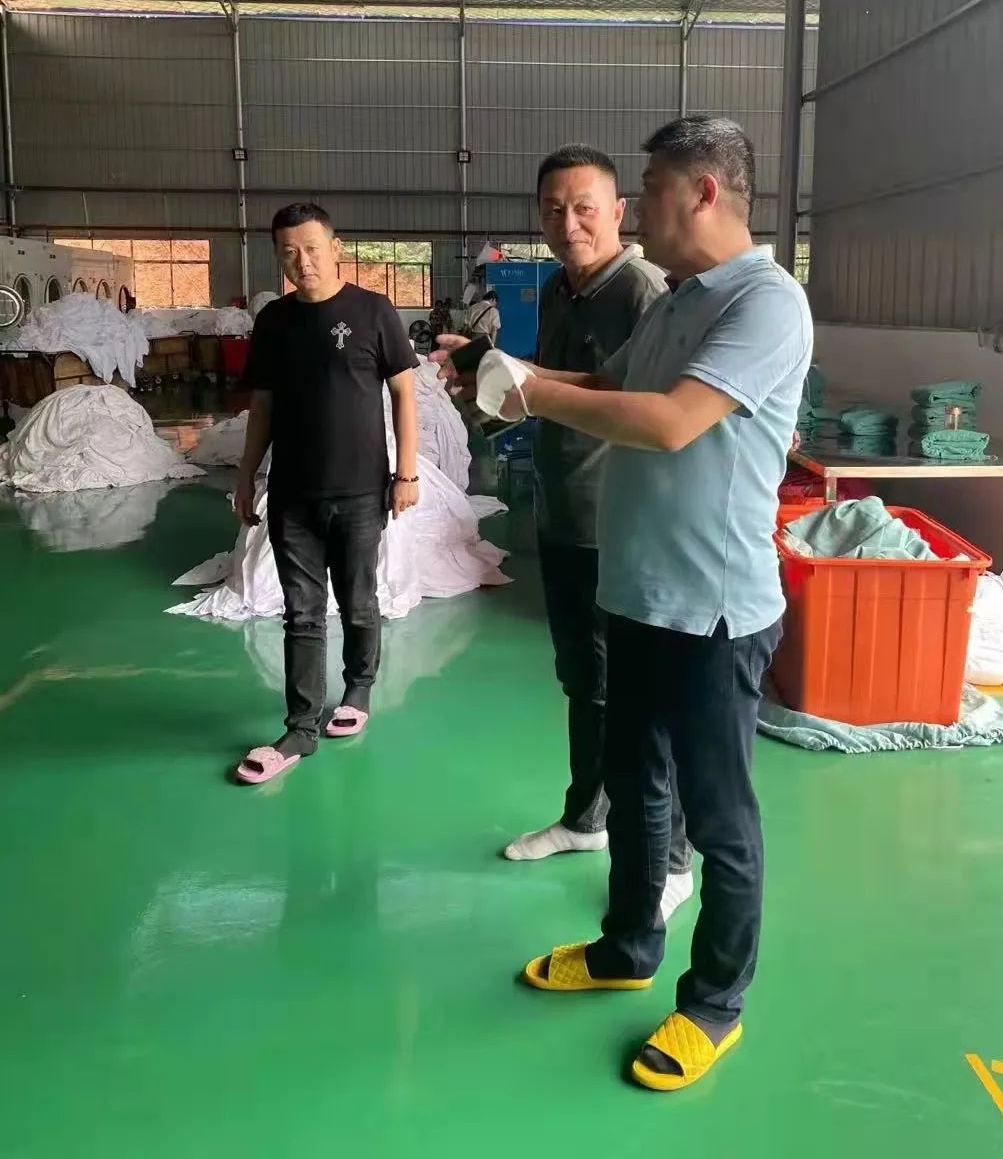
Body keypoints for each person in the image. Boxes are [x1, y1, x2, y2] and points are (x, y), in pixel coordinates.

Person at [491, 117, 812, 1092]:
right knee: (635, 792)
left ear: (703, 192)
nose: (638, 208)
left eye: (652, 186)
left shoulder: (765, 303)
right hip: (637, 595)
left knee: (720, 823)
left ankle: (713, 1004)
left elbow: (672, 423)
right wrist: (522, 378)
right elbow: (611, 384)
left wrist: (537, 397)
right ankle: (628, 947)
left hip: (713, 613)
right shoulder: (677, 301)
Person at [436, 145, 693, 919]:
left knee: (643, 697)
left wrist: (517, 377)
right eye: (554, 209)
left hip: (624, 523)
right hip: (564, 514)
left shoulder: (644, 292)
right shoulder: (557, 289)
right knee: (584, 682)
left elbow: (648, 406)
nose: (569, 223)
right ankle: (587, 820)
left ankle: (672, 858)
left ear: (618, 212)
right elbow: (546, 390)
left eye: (585, 208)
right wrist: (491, 376)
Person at [232, 202, 420, 785]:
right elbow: (263, 406)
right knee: (302, 612)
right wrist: (246, 473)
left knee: (359, 601)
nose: (302, 261)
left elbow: (404, 395)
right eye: (289, 251)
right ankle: (300, 727)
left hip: (362, 491)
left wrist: (406, 474)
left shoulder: (373, 311)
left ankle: (358, 689)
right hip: (293, 493)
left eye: (312, 248)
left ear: (336, 247)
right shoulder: (274, 321)